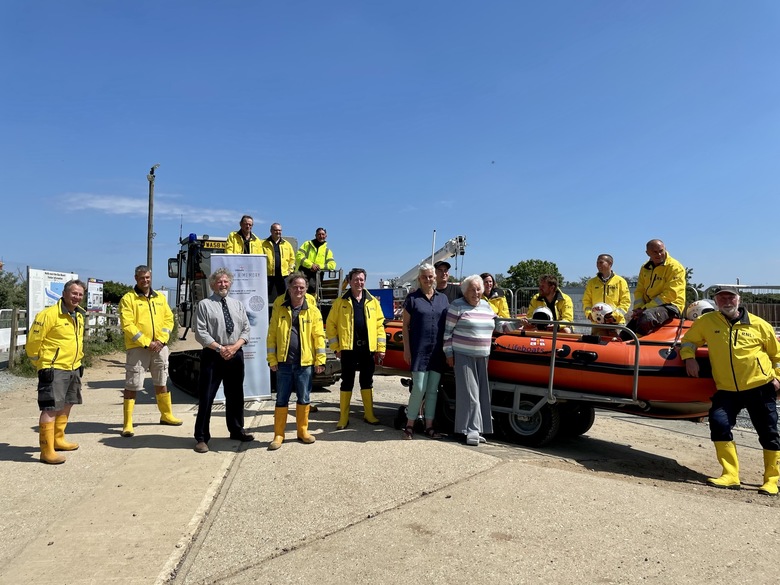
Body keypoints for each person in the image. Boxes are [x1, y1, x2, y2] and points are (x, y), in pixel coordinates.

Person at [681, 286, 780, 495]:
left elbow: (777, 355)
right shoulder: (706, 322)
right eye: (722, 297)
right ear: (716, 301)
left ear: (739, 299)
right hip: (726, 388)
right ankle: (730, 475)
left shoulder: (760, 325)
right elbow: (688, 340)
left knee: (769, 432)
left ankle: (771, 480)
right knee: (718, 423)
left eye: (731, 297)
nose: (727, 301)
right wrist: (689, 358)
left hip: (759, 386)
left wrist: (778, 378)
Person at [193, 268, 253, 453]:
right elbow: (200, 332)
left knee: (235, 395)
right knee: (207, 396)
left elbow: (246, 329)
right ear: (212, 285)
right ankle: (202, 438)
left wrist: (234, 347)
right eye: (219, 282)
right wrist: (220, 348)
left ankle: (236, 429)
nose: (223, 284)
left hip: (235, 354)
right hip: (213, 354)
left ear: (230, 283)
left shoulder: (238, 305)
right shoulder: (204, 305)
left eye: (226, 281)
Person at [26, 280, 86, 464]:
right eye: (74, 293)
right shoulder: (49, 315)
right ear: (65, 293)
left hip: (73, 367)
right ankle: (46, 450)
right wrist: (41, 364)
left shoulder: (79, 316)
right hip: (54, 368)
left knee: (67, 403)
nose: (77, 297)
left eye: (80, 294)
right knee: (50, 408)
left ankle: (58, 439)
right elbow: (33, 342)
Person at [118, 265, 181, 438]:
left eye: (147, 277)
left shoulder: (159, 298)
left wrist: (161, 340)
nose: (145, 280)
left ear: (150, 277)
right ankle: (127, 423)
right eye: (141, 277)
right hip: (138, 348)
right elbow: (128, 325)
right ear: (135, 278)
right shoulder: (128, 299)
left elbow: (169, 319)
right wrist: (147, 343)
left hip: (160, 347)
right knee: (132, 384)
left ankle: (166, 415)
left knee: (161, 381)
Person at [266, 272, 326, 450]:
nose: (298, 290)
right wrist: (272, 358)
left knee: (304, 398)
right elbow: (272, 335)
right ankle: (279, 434)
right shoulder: (280, 307)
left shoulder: (312, 310)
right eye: (295, 287)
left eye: (302, 287)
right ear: (289, 289)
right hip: (284, 362)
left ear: (306, 289)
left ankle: (302, 431)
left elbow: (319, 336)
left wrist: (320, 360)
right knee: (281, 399)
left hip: (305, 363)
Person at [326, 268, 386, 429]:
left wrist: (381, 348)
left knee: (367, 381)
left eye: (361, 279)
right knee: (347, 381)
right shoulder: (340, 302)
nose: (359, 282)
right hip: (348, 349)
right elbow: (330, 325)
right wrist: (336, 347)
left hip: (368, 349)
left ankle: (369, 414)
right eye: (355, 280)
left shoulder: (373, 301)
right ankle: (343, 417)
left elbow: (380, 326)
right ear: (350, 281)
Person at [443, 275, 495, 446]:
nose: (476, 292)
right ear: (465, 291)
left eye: (478, 289)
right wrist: (449, 353)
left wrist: (518, 325)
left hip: (483, 355)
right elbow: (447, 333)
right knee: (470, 394)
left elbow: (499, 326)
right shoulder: (457, 306)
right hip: (463, 354)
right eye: (472, 289)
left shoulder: (487, 306)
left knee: (481, 394)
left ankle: (478, 428)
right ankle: (471, 430)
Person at [401, 264, 449, 439]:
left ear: (434, 278)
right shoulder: (412, 299)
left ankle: (429, 426)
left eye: (430, 276)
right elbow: (405, 326)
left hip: (437, 351)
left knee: (432, 390)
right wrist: (407, 349)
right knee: (419, 388)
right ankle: (409, 424)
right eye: (424, 277)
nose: (428, 280)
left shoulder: (443, 299)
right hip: (419, 350)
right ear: (419, 279)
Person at [625, 239, 685, 336]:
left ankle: (637, 344)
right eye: (655, 252)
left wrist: (644, 308)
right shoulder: (645, 268)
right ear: (647, 253)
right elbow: (639, 291)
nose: (659, 254)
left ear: (665, 249)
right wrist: (638, 309)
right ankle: (624, 342)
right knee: (626, 332)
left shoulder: (675, 267)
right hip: (648, 307)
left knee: (647, 316)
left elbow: (670, 294)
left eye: (661, 251)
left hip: (671, 306)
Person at [583, 254, 631, 327]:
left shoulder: (620, 281)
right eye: (597, 262)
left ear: (610, 263)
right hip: (597, 323)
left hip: (616, 323)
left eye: (601, 262)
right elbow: (586, 301)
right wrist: (589, 314)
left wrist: (614, 316)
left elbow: (625, 301)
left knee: (616, 339)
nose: (598, 265)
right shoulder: (592, 282)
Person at [261, 222, 296, 307]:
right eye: (276, 230)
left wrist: (290, 270)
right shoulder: (263, 244)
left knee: (284, 297)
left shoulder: (287, 244)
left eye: (280, 230)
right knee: (268, 298)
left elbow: (292, 259)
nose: (278, 232)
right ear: (271, 231)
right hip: (268, 276)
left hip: (283, 276)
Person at [295, 227, 337, 294]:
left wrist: (319, 266)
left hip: (316, 277)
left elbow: (332, 265)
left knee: (313, 292)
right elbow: (299, 256)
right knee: (299, 290)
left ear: (326, 236)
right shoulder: (307, 244)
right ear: (315, 235)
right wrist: (311, 265)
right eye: (319, 234)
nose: (321, 236)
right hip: (302, 273)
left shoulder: (327, 251)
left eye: (323, 234)